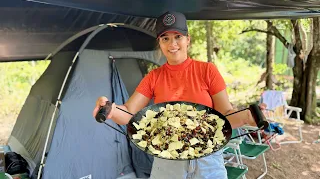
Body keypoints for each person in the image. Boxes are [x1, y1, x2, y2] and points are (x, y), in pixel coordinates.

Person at [93, 11, 265, 179]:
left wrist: (247, 116)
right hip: (167, 163)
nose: (172, 44)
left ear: (188, 39)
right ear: (159, 43)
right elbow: (129, 112)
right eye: (165, 38)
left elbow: (225, 115)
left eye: (178, 37)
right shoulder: (153, 77)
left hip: (207, 161)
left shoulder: (207, 71)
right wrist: (112, 110)